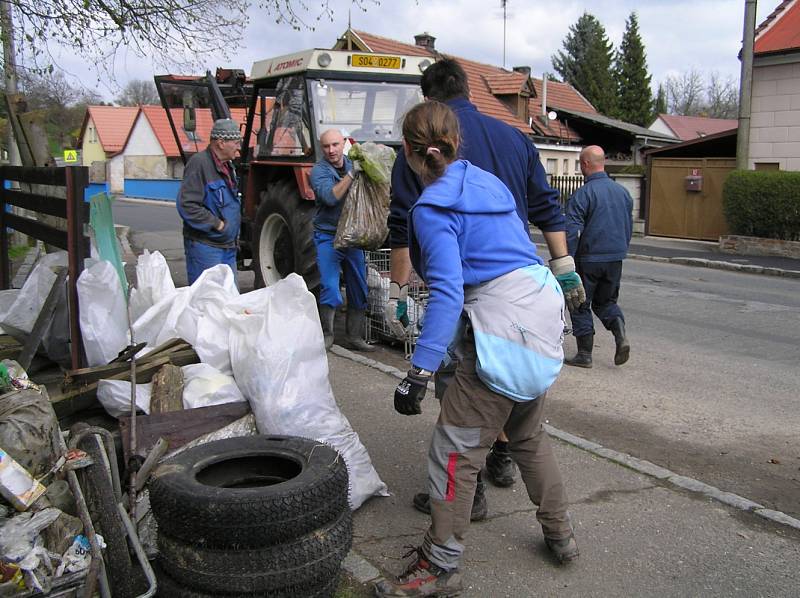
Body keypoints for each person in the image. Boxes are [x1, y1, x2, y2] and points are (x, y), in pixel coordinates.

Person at [375, 101, 575, 598]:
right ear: (458, 143)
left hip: (500, 331)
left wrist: (418, 372)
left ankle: (438, 567)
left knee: (453, 454)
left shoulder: (432, 207)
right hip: (539, 316)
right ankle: (561, 534)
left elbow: (446, 291)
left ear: (407, 151)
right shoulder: (489, 183)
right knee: (528, 434)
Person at [564, 145, 633, 368]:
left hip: (589, 259)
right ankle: (620, 333)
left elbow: (573, 232)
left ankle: (584, 354)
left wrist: (567, 262)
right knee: (606, 302)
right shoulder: (622, 192)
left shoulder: (583, 194)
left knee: (579, 303)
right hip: (615, 258)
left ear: (585, 164)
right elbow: (628, 226)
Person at [309, 129, 373, 352]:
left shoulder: (353, 163)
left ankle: (354, 337)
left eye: (335, 145)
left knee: (359, 286)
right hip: (328, 236)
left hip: (353, 236)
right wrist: (351, 174)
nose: (331, 150)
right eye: (326, 146)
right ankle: (327, 335)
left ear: (344, 143)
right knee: (329, 286)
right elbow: (330, 197)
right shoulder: (318, 172)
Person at [177, 118, 242, 286]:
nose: (239, 147)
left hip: (227, 247)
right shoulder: (199, 164)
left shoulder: (228, 167)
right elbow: (187, 205)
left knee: (229, 302)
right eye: (236, 142)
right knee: (205, 301)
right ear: (221, 142)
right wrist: (217, 224)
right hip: (206, 247)